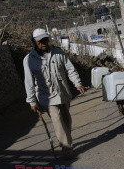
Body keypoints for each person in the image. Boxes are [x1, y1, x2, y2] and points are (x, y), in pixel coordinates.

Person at [23, 28, 85, 158]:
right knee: (57, 120)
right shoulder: (29, 59)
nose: (44, 42)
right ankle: (66, 148)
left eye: (45, 39)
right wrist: (32, 101)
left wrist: (77, 83)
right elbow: (29, 82)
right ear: (34, 42)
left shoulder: (58, 52)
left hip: (63, 93)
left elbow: (70, 70)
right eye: (40, 41)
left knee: (66, 119)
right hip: (47, 97)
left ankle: (67, 140)